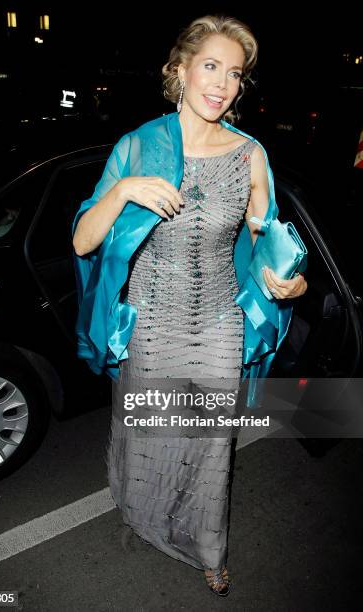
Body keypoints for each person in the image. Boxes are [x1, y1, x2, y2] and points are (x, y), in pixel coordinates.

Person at [72, 14, 307, 596]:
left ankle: (207, 547)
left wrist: (292, 284)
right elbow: (82, 241)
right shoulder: (138, 146)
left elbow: (268, 243)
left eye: (234, 74)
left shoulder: (250, 155)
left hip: (221, 323)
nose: (222, 84)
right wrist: (125, 190)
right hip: (152, 321)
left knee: (208, 444)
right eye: (210, 66)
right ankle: (147, 515)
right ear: (178, 71)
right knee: (154, 430)